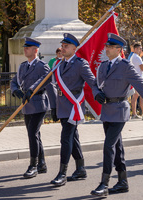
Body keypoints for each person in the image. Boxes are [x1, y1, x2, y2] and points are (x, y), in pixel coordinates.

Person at [90, 33, 143, 197]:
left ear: (118, 50)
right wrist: (96, 93)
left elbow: (142, 85)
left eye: (109, 47)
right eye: (106, 46)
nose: (106, 49)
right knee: (117, 147)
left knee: (108, 146)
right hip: (106, 110)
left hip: (119, 110)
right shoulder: (103, 66)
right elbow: (95, 84)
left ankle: (104, 183)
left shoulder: (125, 66)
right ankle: (123, 182)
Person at [29, 33, 99, 186]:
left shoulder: (81, 63)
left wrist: (98, 93)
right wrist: (32, 89)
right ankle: (80, 169)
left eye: (66, 46)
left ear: (75, 48)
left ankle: (62, 173)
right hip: (62, 105)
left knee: (65, 138)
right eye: (62, 45)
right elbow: (46, 79)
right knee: (73, 138)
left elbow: (92, 81)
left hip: (74, 106)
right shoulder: (59, 64)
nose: (63, 48)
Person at [10, 37, 57, 179]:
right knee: (35, 135)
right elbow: (14, 81)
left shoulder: (41, 66)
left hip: (38, 104)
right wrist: (15, 90)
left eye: (28, 48)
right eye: (25, 47)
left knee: (32, 134)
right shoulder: (23, 66)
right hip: (26, 105)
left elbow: (47, 78)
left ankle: (33, 166)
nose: (25, 49)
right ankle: (42, 163)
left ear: (35, 50)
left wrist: (32, 88)